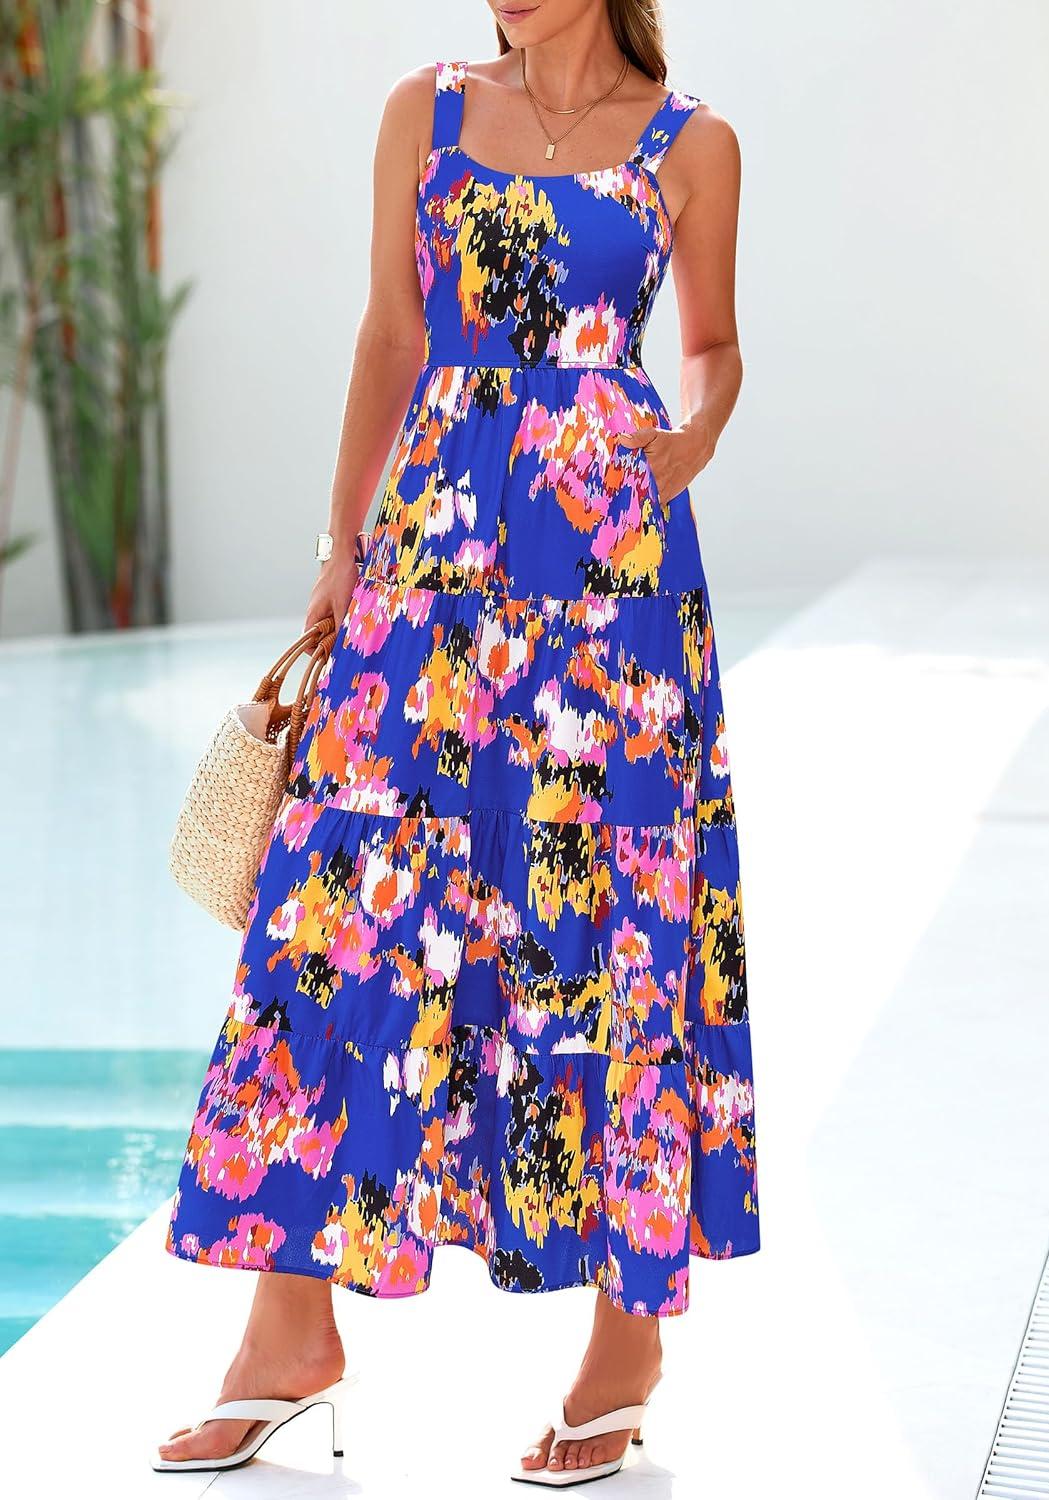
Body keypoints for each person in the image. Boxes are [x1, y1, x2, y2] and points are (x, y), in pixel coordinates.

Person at [155, 0, 759, 1485]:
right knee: (338, 916)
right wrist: (341, 544)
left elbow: (715, 348)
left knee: (610, 919)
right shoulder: (423, 112)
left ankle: (627, 1345)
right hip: (430, 558)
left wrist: (690, 439)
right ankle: (286, 1335)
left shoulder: (692, 145)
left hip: (610, 576)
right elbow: (390, 331)